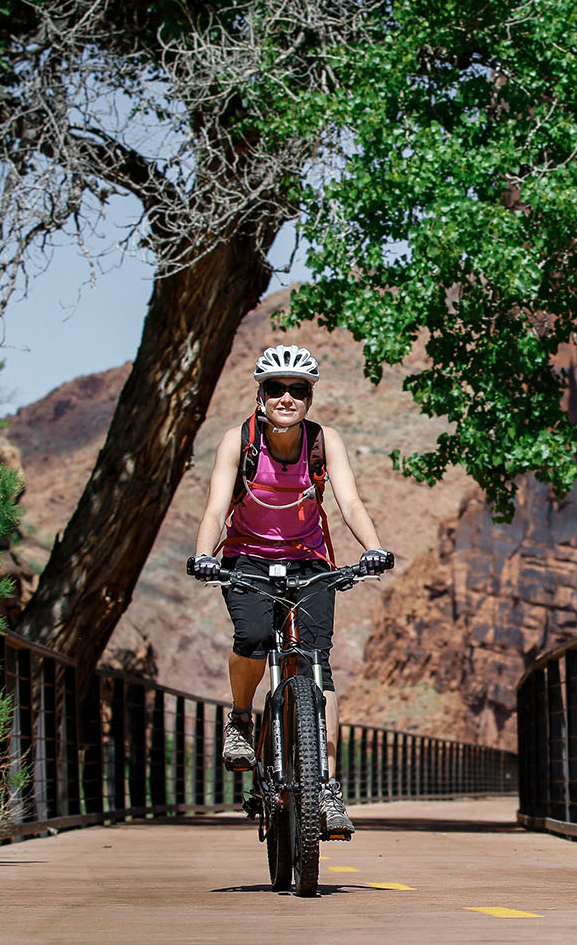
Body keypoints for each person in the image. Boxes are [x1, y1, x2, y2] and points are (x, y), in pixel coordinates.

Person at [186, 344, 392, 840]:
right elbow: (216, 508)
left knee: (318, 667)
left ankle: (326, 789)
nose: (286, 397)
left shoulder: (325, 441)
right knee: (254, 637)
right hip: (247, 558)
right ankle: (240, 717)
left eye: (297, 390)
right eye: (275, 388)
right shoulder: (238, 442)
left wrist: (374, 548)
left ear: (309, 398)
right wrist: (204, 554)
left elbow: (349, 500)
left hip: (310, 561)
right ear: (260, 395)